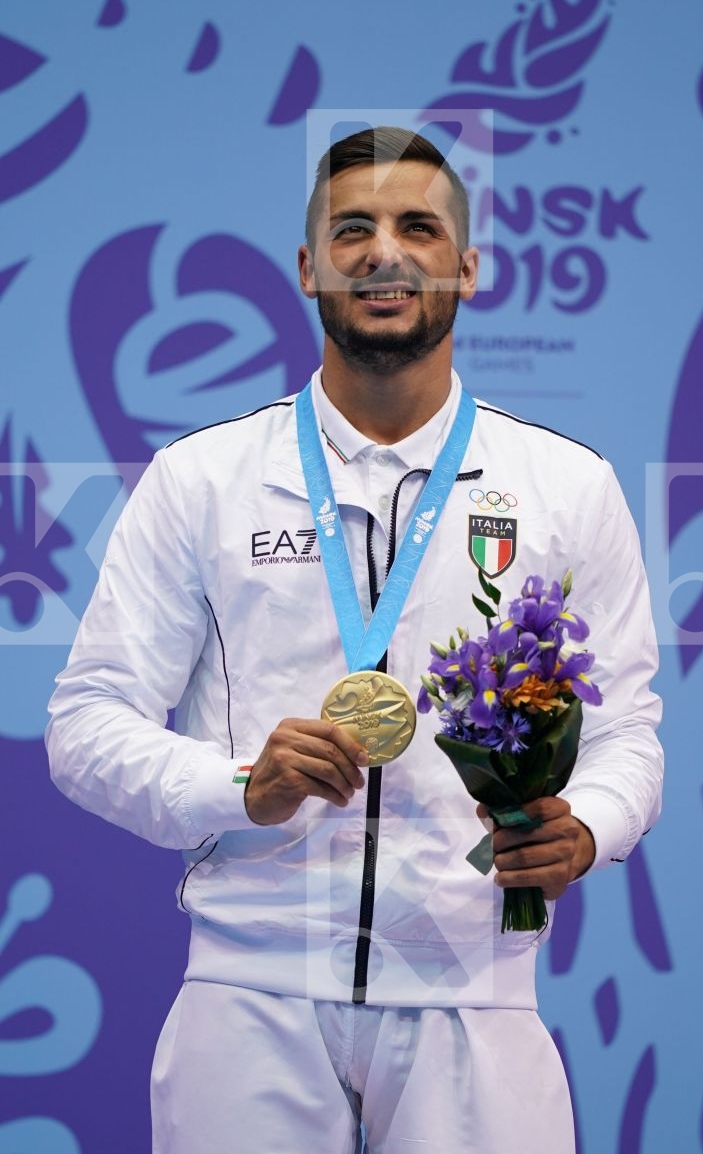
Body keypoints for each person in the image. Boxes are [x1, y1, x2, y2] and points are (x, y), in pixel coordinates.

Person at [47, 126, 663, 1153]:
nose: (384, 251)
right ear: (306, 268)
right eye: (352, 229)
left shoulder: (566, 487)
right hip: (247, 998)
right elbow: (84, 724)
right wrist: (238, 785)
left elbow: (627, 735)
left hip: (473, 994)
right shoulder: (201, 479)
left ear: (466, 265)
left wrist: (586, 827)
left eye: (418, 227)